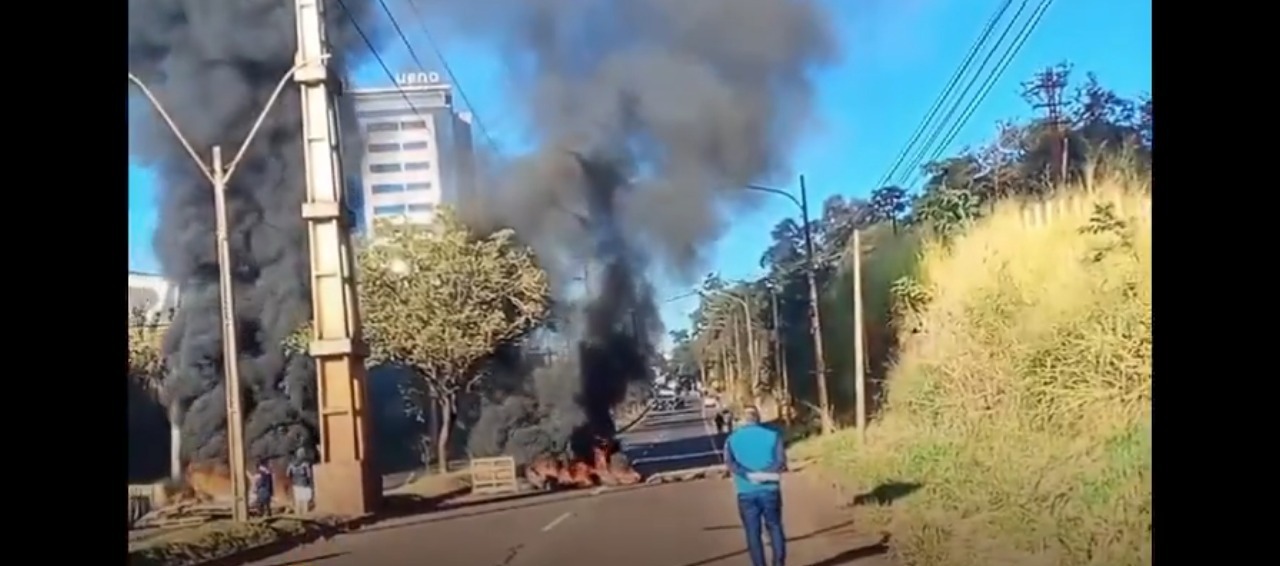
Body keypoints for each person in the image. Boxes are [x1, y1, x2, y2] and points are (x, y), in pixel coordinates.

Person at [723, 406, 788, 566]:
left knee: (753, 533)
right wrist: (764, 474)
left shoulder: (732, 439)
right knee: (775, 527)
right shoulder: (773, 436)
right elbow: (780, 462)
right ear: (758, 418)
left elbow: (730, 463)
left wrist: (748, 475)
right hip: (770, 489)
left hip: (746, 491)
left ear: (743, 420)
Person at [286, 447, 315, 514]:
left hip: (296, 485)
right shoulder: (305, 464)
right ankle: (304, 517)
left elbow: (288, 474)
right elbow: (309, 475)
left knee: (298, 502)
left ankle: (298, 516)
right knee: (305, 502)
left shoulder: (291, 464)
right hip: (304, 484)